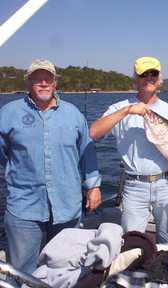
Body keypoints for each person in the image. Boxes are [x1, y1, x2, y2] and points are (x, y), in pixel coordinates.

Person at [0, 59, 101, 274]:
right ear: (28, 83)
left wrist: (93, 186)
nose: (43, 83)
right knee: (23, 272)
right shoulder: (8, 113)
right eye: (37, 79)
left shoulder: (73, 114)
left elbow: (87, 152)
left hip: (68, 207)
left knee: (66, 269)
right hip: (24, 209)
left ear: (55, 83)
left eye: (48, 79)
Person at [90, 56, 168, 245]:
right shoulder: (119, 107)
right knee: (131, 243)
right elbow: (93, 133)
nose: (149, 78)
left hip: (167, 183)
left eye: (153, 73)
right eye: (144, 74)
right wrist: (127, 111)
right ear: (135, 79)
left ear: (159, 78)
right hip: (134, 187)